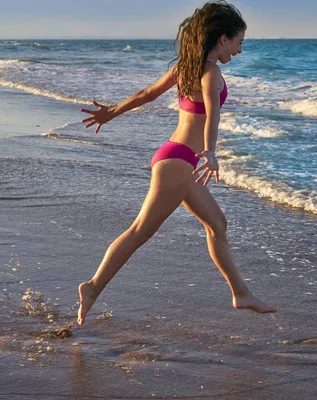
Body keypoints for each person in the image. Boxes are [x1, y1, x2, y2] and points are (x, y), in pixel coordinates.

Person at [77, 0, 276, 325]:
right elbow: (211, 115)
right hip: (179, 163)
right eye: (239, 41)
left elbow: (146, 93)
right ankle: (93, 286)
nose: (240, 49)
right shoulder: (211, 73)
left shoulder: (185, 66)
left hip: (177, 159)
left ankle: (240, 293)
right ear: (222, 39)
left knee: (217, 224)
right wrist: (210, 151)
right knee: (140, 231)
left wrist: (112, 112)